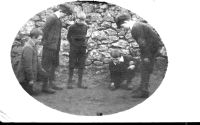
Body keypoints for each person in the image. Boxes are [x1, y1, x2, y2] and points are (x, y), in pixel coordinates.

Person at [115, 13, 166, 98]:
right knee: (144, 68)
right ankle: (141, 88)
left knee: (145, 69)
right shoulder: (138, 25)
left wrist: (146, 57)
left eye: (122, 26)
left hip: (151, 50)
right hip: (151, 48)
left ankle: (144, 92)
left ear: (126, 22)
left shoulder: (135, 28)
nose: (123, 28)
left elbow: (143, 43)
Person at [41, 4, 73, 93]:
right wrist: (47, 43)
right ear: (61, 12)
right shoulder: (52, 17)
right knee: (46, 66)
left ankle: (51, 84)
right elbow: (44, 29)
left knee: (53, 65)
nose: (65, 17)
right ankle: (45, 86)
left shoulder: (58, 19)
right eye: (65, 15)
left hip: (55, 47)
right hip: (49, 47)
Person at [15, 28, 48, 95]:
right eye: (39, 39)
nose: (40, 41)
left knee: (45, 75)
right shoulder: (28, 48)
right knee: (34, 93)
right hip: (24, 77)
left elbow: (37, 61)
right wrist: (31, 79)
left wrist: (41, 70)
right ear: (33, 37)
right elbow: (28, 66)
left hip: (32, 72)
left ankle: (43, 88)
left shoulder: (34, 45)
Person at [67, 12, 88, 89]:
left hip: (82, 49)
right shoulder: (72, 27)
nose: (82, 22)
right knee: (71, 65)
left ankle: (80, 83)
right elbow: (68, 37)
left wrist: (84, 45)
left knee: (81, 66)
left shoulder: (85, 27)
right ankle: (69, 83)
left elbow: (84, 36)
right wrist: (73, 44)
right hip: (74, 48)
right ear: (77, 19)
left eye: (83, 20)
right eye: (80, 20)